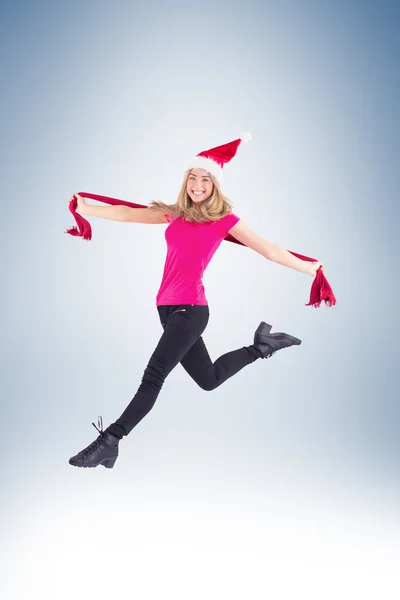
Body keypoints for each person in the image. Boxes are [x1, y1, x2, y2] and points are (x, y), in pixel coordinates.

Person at [68, 133, 323, 469]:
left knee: (153, 376)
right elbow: (127, 214)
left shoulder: (225, 219)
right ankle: (263, 346)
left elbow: (269, 249)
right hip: (168, 310)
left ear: (215, 185)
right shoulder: (174, 214)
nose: (198, 184)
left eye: (205, 179)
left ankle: (110, 441)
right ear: (186, 181)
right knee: (209, 379)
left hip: (191, 310)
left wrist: (312, 269)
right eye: (193, 177)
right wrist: (85, 208)